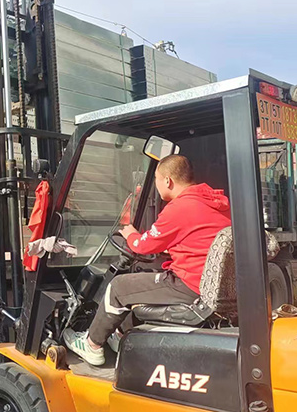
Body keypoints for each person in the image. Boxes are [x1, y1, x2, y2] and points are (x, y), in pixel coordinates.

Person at [64, 154, 232, 366]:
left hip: (190, 285)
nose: (156, 184)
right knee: (140, 277)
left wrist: (130, 234)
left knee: (118, 287)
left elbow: (142, 246)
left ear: (168, 181)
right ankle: (120, 335)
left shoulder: (180, 208)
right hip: (212, 284)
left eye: (156, 179)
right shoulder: (217, 203)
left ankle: (92, 344)